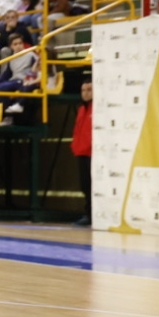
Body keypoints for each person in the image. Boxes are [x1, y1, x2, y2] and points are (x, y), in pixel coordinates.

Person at [71, 81, 93, 226]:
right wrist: (75, 146)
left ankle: (91, 214)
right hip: (81, 151)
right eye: (83, 90)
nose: (85, 93)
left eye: (89, 89)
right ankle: (88, 213)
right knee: (84, 185)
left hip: (92, 152)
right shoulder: (81, 109)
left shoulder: (97, 109)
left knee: (92, 185)